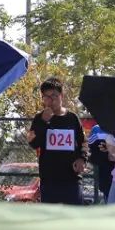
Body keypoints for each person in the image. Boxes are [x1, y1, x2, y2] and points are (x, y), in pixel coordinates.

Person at [26, 77, 86, 205]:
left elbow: (83, 143)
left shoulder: (73, 118)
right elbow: (33, 143)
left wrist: (82, 159)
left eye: (54, 95)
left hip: (72, 179)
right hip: (49, 180)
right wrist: (43, 121)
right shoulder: (39, 118)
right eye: (46, 97)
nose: (51, 100)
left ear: (61, 96)